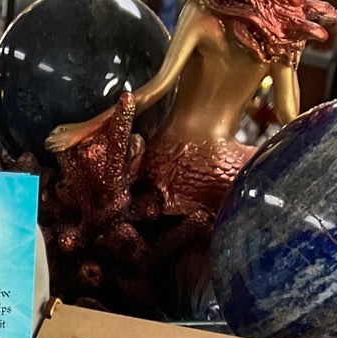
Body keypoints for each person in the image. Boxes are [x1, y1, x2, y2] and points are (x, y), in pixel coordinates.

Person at [45, 0, 336, 214]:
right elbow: (290, 118)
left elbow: (153, 91)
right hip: (224, 169)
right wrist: (291, 54)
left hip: (168, 158)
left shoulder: (201, 14)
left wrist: (83, 129)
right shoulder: (276, 46)